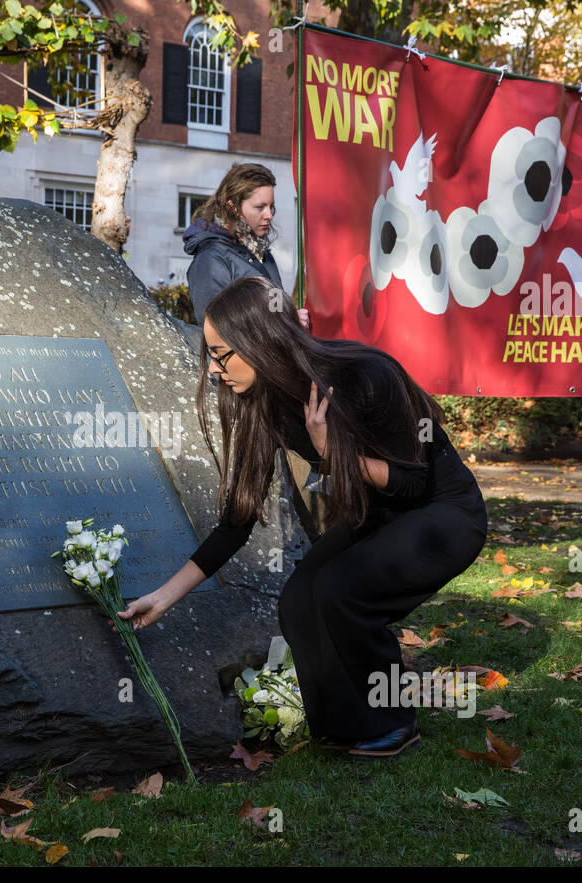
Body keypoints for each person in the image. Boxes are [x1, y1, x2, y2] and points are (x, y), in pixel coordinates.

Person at [118, 276, 488, 758]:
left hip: (443, 513)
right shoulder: (263, 402)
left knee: (341, 591)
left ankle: (393, 723)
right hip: (376, 517)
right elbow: (237, 519)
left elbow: (413, 484)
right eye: (209, 354)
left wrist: (334, 454)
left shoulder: (365, 374)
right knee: (298, 597)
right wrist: (164, 598)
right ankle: (342, 726)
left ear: (259, 340)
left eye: (221, 353)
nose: (213, 369)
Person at [183, 163, 311, 331]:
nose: (269, 215)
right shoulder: (211, 258)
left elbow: (275, 308)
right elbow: (217, 329)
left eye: (271, 206)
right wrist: (280, 325)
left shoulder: (263, 254)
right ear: (233, 208)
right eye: (260, 207)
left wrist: (291, 318)